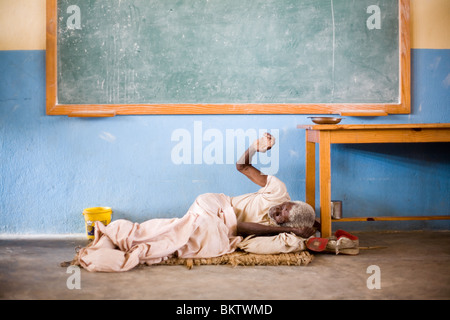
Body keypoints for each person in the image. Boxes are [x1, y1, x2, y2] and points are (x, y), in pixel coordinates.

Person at [76, 133, 319, 272]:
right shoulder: (278, 191)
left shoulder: (278, 232)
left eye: (280, 217)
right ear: (291, 201)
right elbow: (242, 166)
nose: (277, 211)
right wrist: (254, 147)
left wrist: (295, 231)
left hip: (219, 226)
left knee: (177, 238)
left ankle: (123, 237)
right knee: (185, 234)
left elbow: (243, 231)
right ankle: (123, 234)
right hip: (214, 206)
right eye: (284, 208)